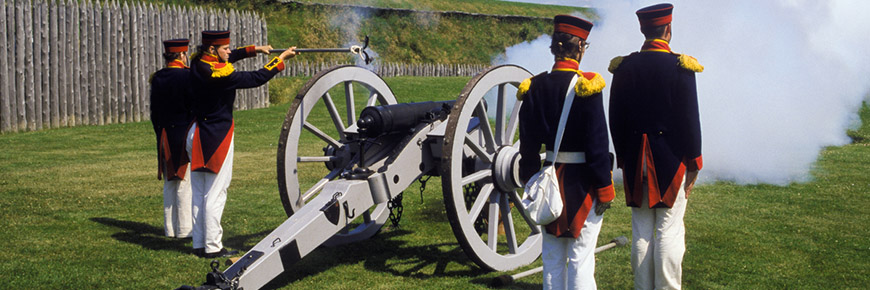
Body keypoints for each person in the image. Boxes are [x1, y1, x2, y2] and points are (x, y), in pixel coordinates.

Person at [607, 3, 704, 290]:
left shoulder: (623, 67)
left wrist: (624, 158)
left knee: (642, 232)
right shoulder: (681, 67)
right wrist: (694, 163)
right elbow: (690, 121)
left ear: (642, 29)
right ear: (668, 29)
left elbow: (616, 119)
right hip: (671, 161)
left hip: (636, 160)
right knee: (669, 232)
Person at [517, 15, 615, 290]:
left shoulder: (532, 87)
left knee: (552, 258)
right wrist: (605, 188)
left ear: (554, 48)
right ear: (580, 47)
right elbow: (597, 145)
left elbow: (527, 144)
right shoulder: (588, 85)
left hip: (548, 181)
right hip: (581, 182)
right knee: (581, 258)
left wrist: (529, 179)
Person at [186, 30, 297, 258]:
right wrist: (280, 59)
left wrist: (254, 49)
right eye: (224, 48)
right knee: (216, 192)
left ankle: (200, 243)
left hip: (197, 132)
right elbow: (255, 78)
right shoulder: (219, 74)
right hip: (217, 136)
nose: (229, 51)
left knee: (199, 192)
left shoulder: (199, 63)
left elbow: (229, 57)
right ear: (211, 49)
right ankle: (213, 247)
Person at [150, 38, 194, 239]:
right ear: (182, 55)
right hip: (182, 133)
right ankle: (184, 229)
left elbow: (154, 112)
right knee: (184, 182)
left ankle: (169, 228)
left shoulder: (157, 77)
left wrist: (159, 132)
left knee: (169, 182)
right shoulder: (187, 76)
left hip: (164, 134)